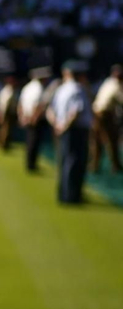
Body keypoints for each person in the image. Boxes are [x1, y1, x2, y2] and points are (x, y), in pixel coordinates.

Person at [48, 60, 92, 205]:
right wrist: (64, 126)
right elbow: (75, 112)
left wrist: (57, 125)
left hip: (64, 129)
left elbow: (50, 110)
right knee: (75, 163)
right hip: (75, 130)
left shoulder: (62, 88)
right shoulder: (77, 89)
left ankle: (64, 194)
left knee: (65, 161)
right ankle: (71, 196)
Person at [18, 67, 52, 173]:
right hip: (34, 120)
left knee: (30, 141)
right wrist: (34, 119)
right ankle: (31, 165)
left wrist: (22, 117)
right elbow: (37, 106)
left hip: (28, 118)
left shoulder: (27, 87)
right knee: (34, 142)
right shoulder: (39, 88)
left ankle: (30, 163)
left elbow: (21, 104)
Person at [91, 63, 122, 176]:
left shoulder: (109, 81)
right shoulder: (115, 85)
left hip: (96, 112)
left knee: (97, 140)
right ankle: (115, 165)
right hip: (104, 115)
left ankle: (95, 165)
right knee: (111, 140)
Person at [0, 75, 18, 152]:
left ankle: (4, 144)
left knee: (5, 129)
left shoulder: (7, 90)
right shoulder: (8, 90)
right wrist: (1, 113)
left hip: (6, 112)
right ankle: (3, 145)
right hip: (6, 113)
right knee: (5, 129)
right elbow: (4, 104)